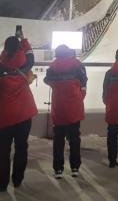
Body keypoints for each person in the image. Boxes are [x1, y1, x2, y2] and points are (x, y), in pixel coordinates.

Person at [0, 35, 38, 192]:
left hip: (5, 115)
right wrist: (24, 40)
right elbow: (30, 54)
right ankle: (17, 180)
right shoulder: (26, 64)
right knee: (21, 147)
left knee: (3, 149)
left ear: (5, 48)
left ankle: (2, 183)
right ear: (19, 49)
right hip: (24, 113)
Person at [44, 44, 87, 179]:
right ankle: (75, 167)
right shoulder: (77, 64)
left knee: (58, 139)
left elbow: (48, 80)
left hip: (59, 106)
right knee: (74, 138)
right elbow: (83, 80)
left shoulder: (53, 66)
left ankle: (58, 169)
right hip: (74, 106)